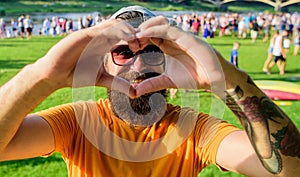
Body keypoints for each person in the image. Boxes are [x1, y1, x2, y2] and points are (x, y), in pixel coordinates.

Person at [0, 5, 299, 177]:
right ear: (102, 63)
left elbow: (290, 171)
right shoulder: (78, 123)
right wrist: (43, 75)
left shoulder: (194, 130)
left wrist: (226, 79)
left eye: (154, 51)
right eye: (122, 52)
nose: (140, 63)